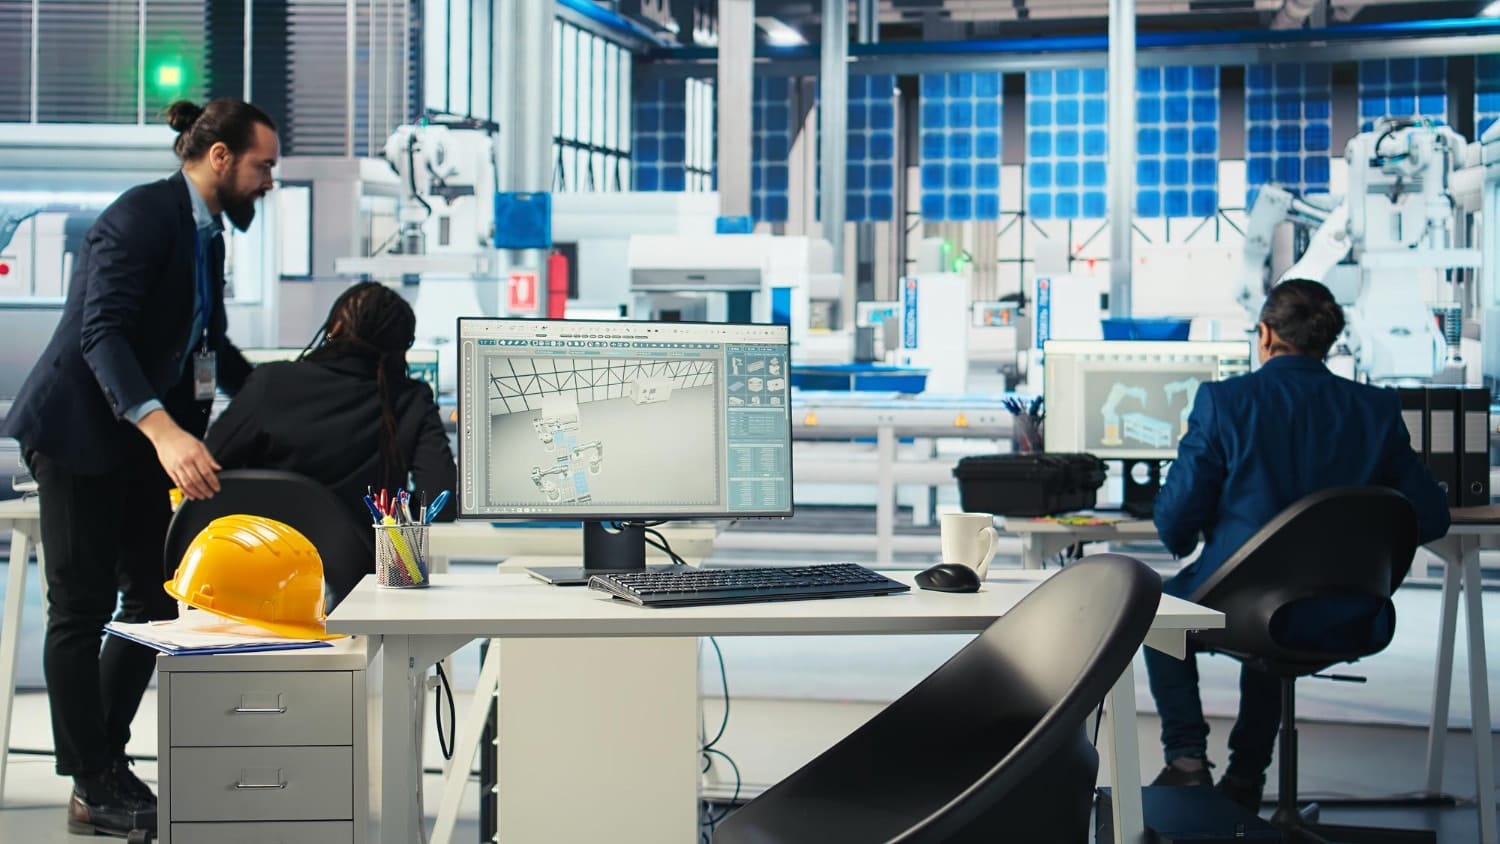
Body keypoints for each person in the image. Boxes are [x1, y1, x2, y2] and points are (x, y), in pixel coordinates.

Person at [0, 98, 277, 834]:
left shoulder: (205, 236)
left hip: (134, 446)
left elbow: (207, 343)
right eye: (264, 166)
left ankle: (103, 763)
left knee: (154, 604)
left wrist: (285, 400)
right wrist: (165, 433)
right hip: (79, 434)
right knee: (79, 608)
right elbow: (103, 336)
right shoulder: (138, 217)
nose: (269, 181)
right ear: (220, 158)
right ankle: (93, 778)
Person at [1145, 279, 1450, 810]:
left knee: (1158, 615)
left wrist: (1195, 526)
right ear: (1325, 341)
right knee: (1273, 621)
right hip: (1350, 607)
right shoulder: (1374, 409)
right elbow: (1430, 516)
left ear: (1265, 334)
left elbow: (1175, 521)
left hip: (1243, 607)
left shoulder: (1225, 401)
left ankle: (1188, 761)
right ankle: (1245, 778)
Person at [205, 281, 456, 534]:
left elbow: (205, 470)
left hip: (270, 563)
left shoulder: (272, 383)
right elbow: (440, 504)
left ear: (334, 327)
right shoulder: (410, 400)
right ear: (403, 347)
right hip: (366, 570)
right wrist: (393, 508)